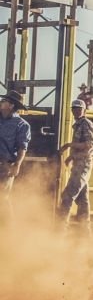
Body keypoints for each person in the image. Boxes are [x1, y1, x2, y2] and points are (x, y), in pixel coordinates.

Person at [57, 99, 93, 233]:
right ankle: (85, 231)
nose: (76, 111)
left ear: (84, 110)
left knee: (68, 195)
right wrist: (71, 157)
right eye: (74, 108)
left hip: (83, 164)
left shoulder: (85, 124)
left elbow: (90, 144)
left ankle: (61, 229)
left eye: (78, 109)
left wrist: (69, 146)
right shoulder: (80, 125)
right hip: (80, 163)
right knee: (83, 199)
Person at [0, 89, 31, 222]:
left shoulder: (21, 125)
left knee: (2, 198)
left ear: (11, 105)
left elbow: (22, 147)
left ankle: (9, 230)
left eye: (4, 101)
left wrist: (17, 164)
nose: (1, 102)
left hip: (6, 165)